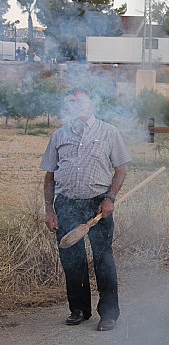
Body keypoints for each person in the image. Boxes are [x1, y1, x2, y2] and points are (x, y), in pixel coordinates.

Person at [40, 88, 131, 331]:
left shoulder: (109, 132)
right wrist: (50, 210)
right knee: (72, 260)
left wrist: (110, 198)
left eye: (81, 101)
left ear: (93, 104)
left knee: (103, 259)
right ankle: (79, 309)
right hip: (67, 204)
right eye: (71, 102)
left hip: (98, 203)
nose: (76, 105)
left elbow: (121, 169)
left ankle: (109, 313)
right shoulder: (59, 135)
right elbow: (50, 177)